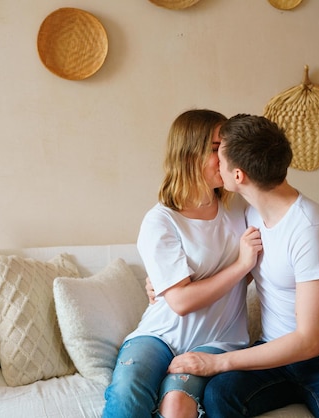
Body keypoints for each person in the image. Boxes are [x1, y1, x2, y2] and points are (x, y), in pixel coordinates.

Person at [167, 114, 319, 418]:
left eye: (218, 154)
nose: (215, 163)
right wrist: (165, 283)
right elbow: (209, 259)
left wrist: (219, 362)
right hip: (273, 352)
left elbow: (309, 342)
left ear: (238, 175)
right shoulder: (247, 213)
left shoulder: (311, 230)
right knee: (219, 396)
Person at [102, 109, 262, 418]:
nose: (228, 157)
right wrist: (241, 266)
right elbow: (180, 301)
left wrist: (247, 269)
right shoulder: (161, 220)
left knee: (177, 405)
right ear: (190, 153)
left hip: (220, 340)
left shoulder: (240, 206)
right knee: (127, 391)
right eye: (217, 149)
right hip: (159, 335)